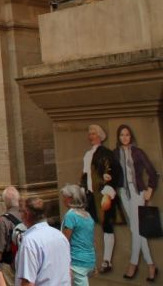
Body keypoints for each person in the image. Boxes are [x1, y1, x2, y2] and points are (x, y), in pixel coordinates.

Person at [115, 124, 158, 281]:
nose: (124, 137)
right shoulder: (115, 153)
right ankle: (151, 265)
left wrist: (150, 189)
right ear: (118, 137)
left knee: (136, 228)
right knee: (136, 229)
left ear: (131, 136)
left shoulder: (138, 152)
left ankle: (133, 264)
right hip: (123, 193)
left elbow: (152, 172)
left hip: (137, 192)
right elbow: (112, 172)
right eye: (122, 135)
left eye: (127, 134)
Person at [80, 123, 121, 274]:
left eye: (93, 133)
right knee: (88, 226)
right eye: (89, 133)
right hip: (90, 195)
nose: (90, 136)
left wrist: (108, 192)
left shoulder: (106, 153)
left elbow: (112, 171)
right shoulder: (87, 154)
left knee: (106, 226)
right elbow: (85, 175)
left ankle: (107, 260)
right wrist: (82, 190)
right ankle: (90, 260)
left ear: (100, 136)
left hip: (102, 195)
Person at [15, 197, 71, 286]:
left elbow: (28, 282)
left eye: (20, 211)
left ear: (26, 214)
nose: (20, 215)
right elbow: (68, 273)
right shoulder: (60, 236)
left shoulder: (30, 241)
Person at [60, 184, 95, 286]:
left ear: (70, 199)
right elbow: (92, 240)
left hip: (77, 262)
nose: (63, 200)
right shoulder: (87, 215)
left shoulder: (71, 215)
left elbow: (65, 240)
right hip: (89, 260)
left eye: (64, 197)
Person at [0, 186, 23, 284]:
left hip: (10, 265)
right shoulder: (27, 216)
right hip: (27, 261)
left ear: (5, 202)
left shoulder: (2, 221)